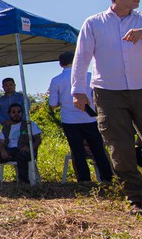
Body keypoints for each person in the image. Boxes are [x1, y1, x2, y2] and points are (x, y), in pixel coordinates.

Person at [71, 0, 142, 215]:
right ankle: (136, 199)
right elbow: (81, 58)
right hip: (108, 94)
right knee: (120, 148)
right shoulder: (94, 23)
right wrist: (78, 91)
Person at [48, 51, 113, 183]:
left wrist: (64, 100)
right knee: (98, 150)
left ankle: (84, 181)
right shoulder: (89, 76)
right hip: (90, 118)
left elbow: (53, 104)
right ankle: (108, 178)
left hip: (69, 120)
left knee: (77, 152)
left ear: (61, 64)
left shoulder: (56, 81)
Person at [0, 103, 42, 183]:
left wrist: (30, 148)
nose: (16, 114)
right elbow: (1, 142)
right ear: (9, 114)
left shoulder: (29, 124)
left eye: (19, 112)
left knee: (21, 155)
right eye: (13, 112)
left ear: (22, 113)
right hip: (10, 151)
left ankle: (23, 182)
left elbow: (38, 139)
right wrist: (2, 150)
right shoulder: (6, 127)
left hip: (26, 151)